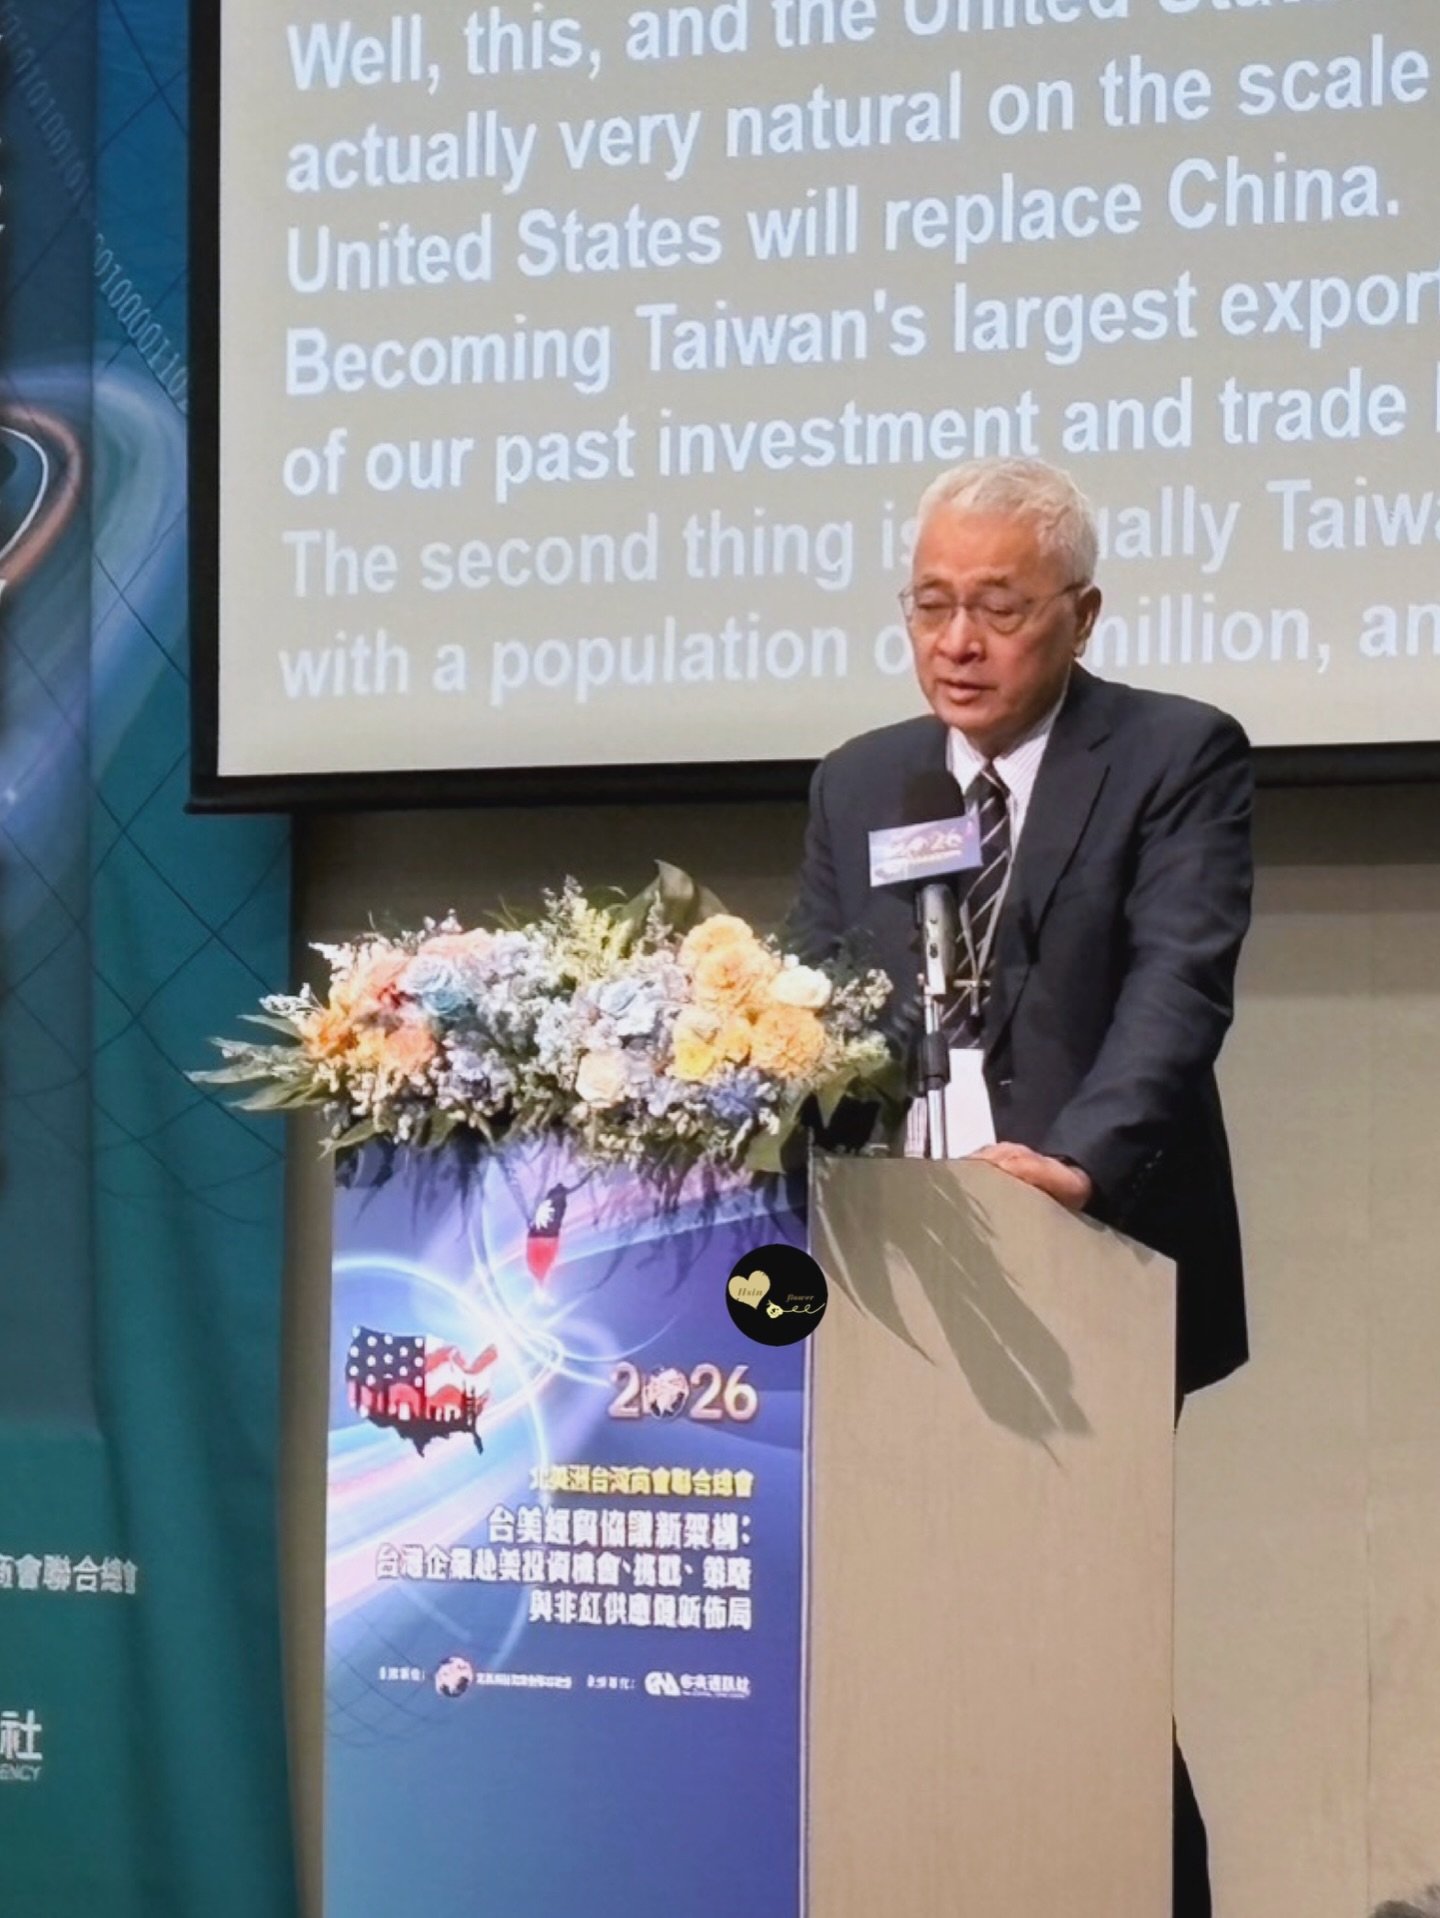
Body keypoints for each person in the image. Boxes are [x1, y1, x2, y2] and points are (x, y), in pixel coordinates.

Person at [792, 454, 1255, 1917]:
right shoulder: (863, 778)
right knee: (911, 1635)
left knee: (1075, 1638)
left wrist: (1083, 1159)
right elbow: (817, 1011)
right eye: (930, 605)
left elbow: (1180, 984)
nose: (958, 642)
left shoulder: (1175, 754)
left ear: (1081, 615)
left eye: (998, 608)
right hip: (898, 1271)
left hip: (1088, 1253)